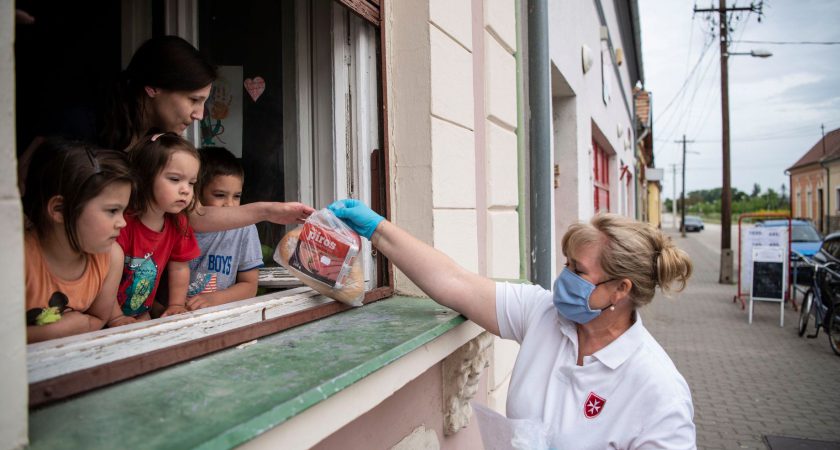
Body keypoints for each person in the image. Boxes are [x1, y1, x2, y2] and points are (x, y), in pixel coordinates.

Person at [328, 199, 696, 449]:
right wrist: (377, 229)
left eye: (578, 271)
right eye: (566, 263)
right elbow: (453, 282)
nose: (563, 278)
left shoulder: (658, 389)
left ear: (620, 289)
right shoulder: (545, 314)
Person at [18, 35, 314, 230]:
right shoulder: (80, 123)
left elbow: (193, 214)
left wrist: (269, 211)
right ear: (153, 88)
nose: (199, 114)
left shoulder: (160, 144)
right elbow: (22, 184)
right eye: (193, 100)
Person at [22, 139, 136, 343]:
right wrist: (54, 331)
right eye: (112, 211)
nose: (122, 223)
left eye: (123, 211)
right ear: (59, 210)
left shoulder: (111, 258)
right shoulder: (17, 259)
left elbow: (98, 319)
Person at [116, 132, 201, 320]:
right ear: (145, 177)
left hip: (140, 313)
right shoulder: (122, 222)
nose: (186, 189)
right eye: (174, 179)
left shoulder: (178, 223)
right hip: (107, 315)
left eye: (192, 183)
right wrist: (114, 316)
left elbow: (179, 266)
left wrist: (176, 305)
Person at [185, 147, 262, 310]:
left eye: (237, 196)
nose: (230, 204)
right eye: (220, 195)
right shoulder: (179, 225)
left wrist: (214, 299)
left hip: (222, 317)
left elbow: (249, 285)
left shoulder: (244, 228)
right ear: (197, 193)